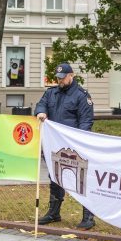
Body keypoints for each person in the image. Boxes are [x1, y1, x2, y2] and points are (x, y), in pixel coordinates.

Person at [35, 62, 95, 229]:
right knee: (55, 178)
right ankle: (54, 212)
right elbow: (41, 104)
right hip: (54, 145)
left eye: (63, 78)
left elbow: (86, 121)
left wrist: (77, 141)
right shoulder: (51, 93)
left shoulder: (81, 95)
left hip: (73, 147)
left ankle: (88, 216)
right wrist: (41, 111)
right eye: (58, 78)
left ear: (71, 76)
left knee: (80, 180)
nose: (60, 81)